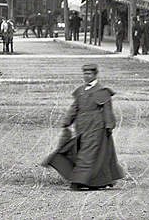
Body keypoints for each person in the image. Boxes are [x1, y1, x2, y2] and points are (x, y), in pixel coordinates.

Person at [42, 63, 124, 191]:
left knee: (87, 154)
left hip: (96, 126)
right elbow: (74, 107)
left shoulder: (103, 91)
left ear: (95, 74)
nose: (86, 76)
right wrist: (67, 121)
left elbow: (107, 110)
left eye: (89, 74)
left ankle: (79, 180)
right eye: (84, 74)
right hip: (81, 127)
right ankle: (96, 181)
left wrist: (109, 125)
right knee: (81, 151)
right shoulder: (80, 90)